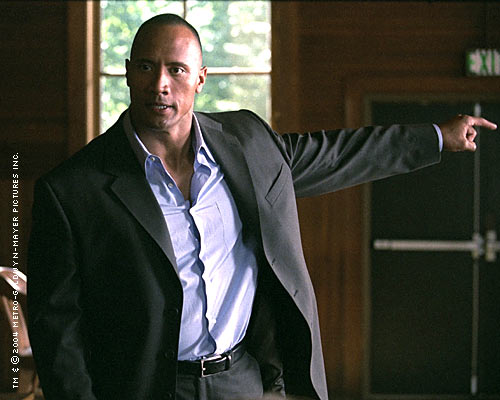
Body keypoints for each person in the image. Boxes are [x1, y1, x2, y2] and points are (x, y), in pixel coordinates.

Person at [27, 13, 497, 400]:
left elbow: (336, 155)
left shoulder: (247, 143)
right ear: (129, 72)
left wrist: (436, 137)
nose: (161, 84)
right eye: (147, 67)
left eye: (177, 69)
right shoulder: (72, 190)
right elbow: (57, 332)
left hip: (242, 380)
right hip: (145, 388)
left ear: (201, 78)